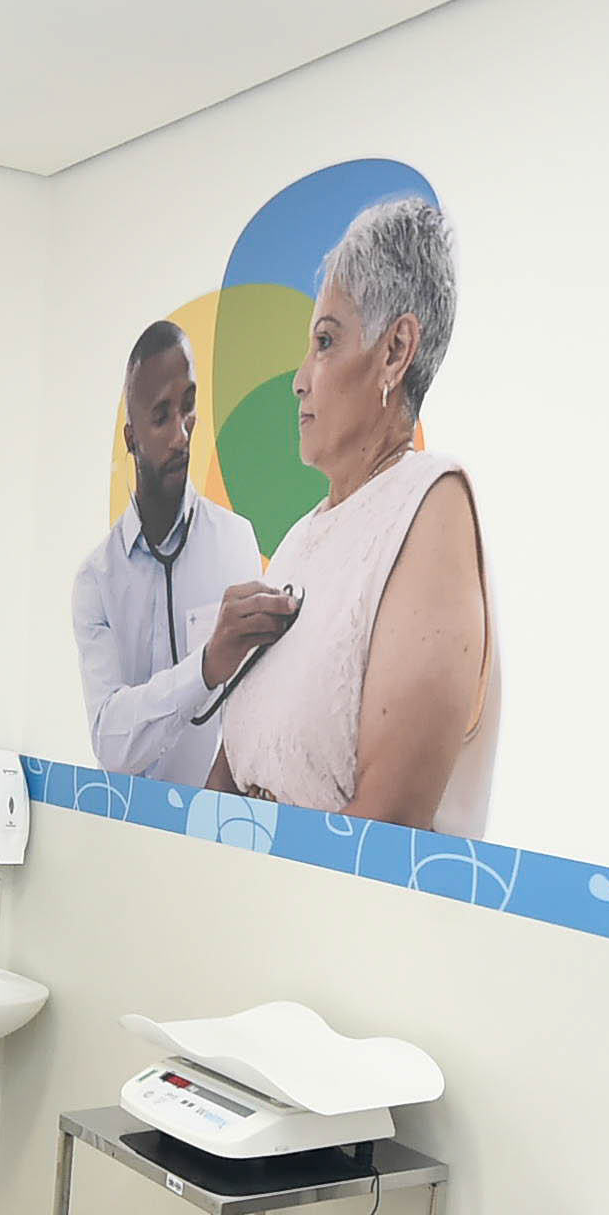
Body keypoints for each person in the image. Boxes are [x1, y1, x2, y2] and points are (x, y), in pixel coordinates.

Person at [209, 197, 496, 833]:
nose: (299, 380)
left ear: (395, 350)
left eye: (325, 342)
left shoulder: (432, 505)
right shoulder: (301, 539)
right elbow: (229, 777)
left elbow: (384, 829)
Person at [70, 318, 265, 783]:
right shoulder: (96, 580)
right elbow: (110, 741)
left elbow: (249, 713)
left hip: (213, 819)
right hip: (122, 821)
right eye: (160, 417)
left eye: (188, 407)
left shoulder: (236, 543)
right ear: (131, 438)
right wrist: (206, 666)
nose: (181, 435)